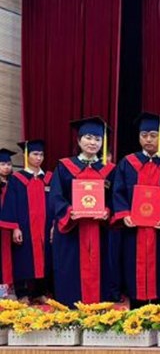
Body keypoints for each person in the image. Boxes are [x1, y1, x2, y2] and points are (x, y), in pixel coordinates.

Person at [111, 113, 160, 308]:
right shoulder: (128, 163)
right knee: (133, 270)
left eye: (153, 135)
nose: (148, 139)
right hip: (134, 229)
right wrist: (124, 214)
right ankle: (136, 314)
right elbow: (118, 191)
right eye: (144, 135)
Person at [50, 117, 116, 305]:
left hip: (99, 230)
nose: (93, 142)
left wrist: (108, 210)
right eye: (88, 137)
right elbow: (55, 196)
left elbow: (116, 197)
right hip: (72, 231)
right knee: (69, 271)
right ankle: (70, 315)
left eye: (97, 139)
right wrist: (69, 211)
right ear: (79, 140)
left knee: (102, 269)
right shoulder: (64, 167)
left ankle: (98, 315)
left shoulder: (110, 170)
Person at [0, 141, 52, 304]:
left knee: (44, 258)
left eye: (41, 154)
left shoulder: (48, 178)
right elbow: (11, 204)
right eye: (35, 154)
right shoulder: (17, 179)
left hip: (44, 227)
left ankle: (39, 292)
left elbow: (54, 203)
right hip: (25, 227)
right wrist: (15, 228)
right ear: (26, 155)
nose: (39, 158)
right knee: (22, 258)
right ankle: (22, 293)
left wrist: (54, 225)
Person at [0, 148, 17, 295]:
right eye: (3, 164)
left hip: (10, 225)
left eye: (9, 164)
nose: (7, 167)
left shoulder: (14, 183)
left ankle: (8, 287)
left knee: (9, 256)